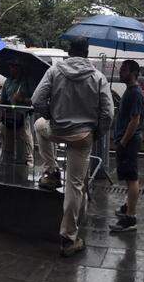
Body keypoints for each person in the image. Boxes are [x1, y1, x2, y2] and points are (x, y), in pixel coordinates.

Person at [32, 36, 113, 257]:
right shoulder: (98, 77)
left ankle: (51, 170)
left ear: (69, 52)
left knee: (39, 126)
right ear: (87, 53)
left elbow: (37, 100)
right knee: (75, 186)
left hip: (57, 130)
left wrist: (51, 116)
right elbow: (108, 113)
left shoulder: (54, 71)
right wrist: (97, 133)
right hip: (83, 137)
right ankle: (68, 238)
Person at [110, 60, 144, 233]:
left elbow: (135, 120)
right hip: (126, 140)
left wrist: (123, 142)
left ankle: (130, 218)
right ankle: (127, 206)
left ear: (133, 72)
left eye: (124, 69)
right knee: (130, 176)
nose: (120, 71)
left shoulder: (135, 93)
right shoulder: (130, 91)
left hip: (129, 141)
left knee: (131, 177)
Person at [0, 59, 36, 166]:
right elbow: (3, 100)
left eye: (15, 66)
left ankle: (26, 171)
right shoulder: (8, 81)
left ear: (20, 67)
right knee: (7, 148)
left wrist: (22, 99)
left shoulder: (28, 81)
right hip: (9, 118)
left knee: (24, 148)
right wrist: (4, 111)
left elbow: (34, 100)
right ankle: (7, 171)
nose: (12, 68)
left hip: (22, 119)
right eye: (11, 66)